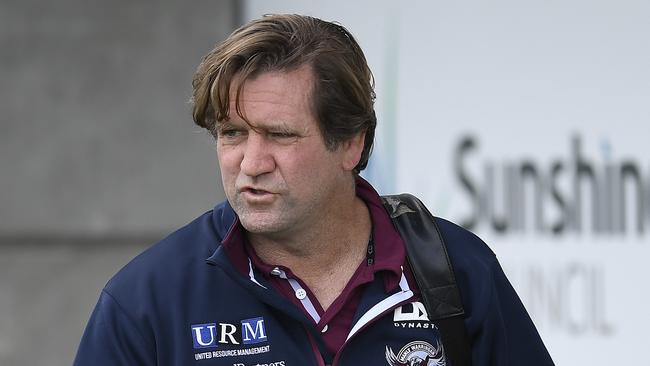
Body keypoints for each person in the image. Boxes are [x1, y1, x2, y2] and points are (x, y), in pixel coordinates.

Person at [74, 14, 554, 366]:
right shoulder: (148, 300)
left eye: (280, 135)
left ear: (350, 143)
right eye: (232, 134)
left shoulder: (458, 271)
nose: (252, 164)